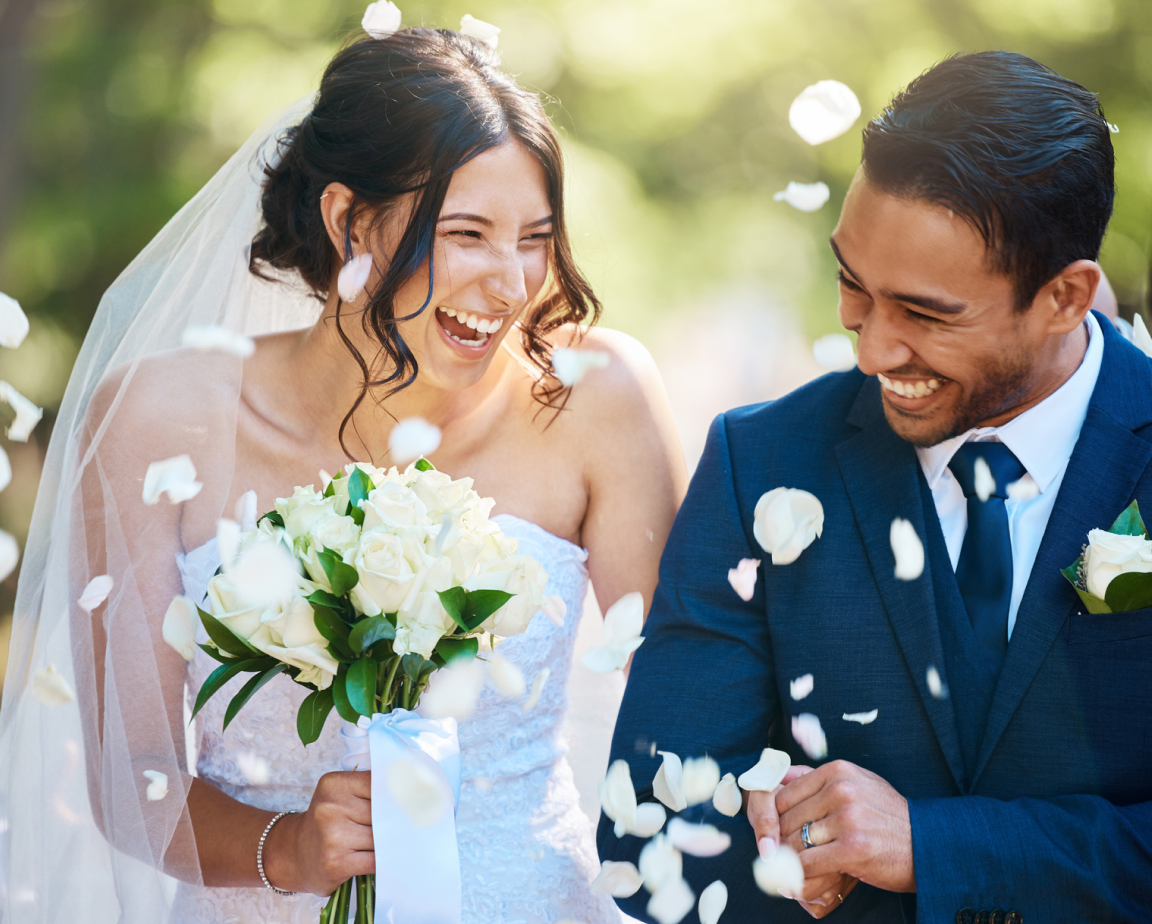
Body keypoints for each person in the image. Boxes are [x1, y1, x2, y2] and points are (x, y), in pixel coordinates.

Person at [0, 20, 687, 924]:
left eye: (535, 238)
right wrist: (280, 848)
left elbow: (693, 708)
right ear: (349, 219)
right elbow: (135, 777)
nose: (513, 283)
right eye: (469, 233)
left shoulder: (595, 399)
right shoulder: (156, 421)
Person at [600, 51, 1152, 923]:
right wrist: (777, 851)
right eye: (853, 286)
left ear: (1064, 296)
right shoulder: (761, 460)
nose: (871, 349)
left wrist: (931, 849)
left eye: (926, 315)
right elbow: (649, 834)